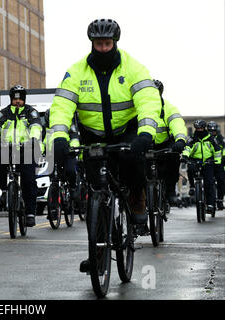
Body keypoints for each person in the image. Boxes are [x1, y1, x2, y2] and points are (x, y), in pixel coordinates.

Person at [48, 19, 162, 272]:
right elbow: (62, 107)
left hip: (127, 130)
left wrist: (145, 133)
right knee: (95, 194)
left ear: (115, 43)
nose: (102, 48)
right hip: (94, 134)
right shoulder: (76, 72)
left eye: (107, 43)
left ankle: (137, 197)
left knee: (133, 161)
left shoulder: (133, 67)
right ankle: (98, 254)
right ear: (92, 43)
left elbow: (148, 101)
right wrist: (58, 137)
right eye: (98, 44)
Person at [0, 85, 43, 227]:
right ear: (11, 99)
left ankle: (30, 212)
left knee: (29, 180)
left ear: (24, 99)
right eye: (15, 99)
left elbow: (36, 127)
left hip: (27, 148)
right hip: (8, 148)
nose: (18, 102)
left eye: (20, 99)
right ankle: (5, 189)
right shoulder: (4, 113)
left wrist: (34, 139)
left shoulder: (31, 112)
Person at [152, 80, 188, 206]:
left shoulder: (169, 108)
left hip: (165, 144)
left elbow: (177, 123)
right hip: (146, 144)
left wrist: (180, 140)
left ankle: (170, 192)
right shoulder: (137, 107)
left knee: (173, 159)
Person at [182, 120, 220, 215]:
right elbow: (187, 148)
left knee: (209, 183)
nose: (199, 130)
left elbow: (217, 150)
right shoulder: (192, 139)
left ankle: (210, 205)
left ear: (204, 128)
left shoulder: (210, 138)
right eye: (197, 128)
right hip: (195, 160)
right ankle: (192, 187)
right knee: (190, 168)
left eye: (201, 128)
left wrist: (217, 163)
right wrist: (185, 157)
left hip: (208, 161)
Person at [206, 121, 225, 210]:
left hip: (219, 162)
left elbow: (224, 150)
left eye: (213, 131)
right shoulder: (206, 138)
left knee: (221, 180)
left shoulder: (221, 139)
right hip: (209, 162)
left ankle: (220, 200)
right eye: (210, 131)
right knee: (208, 181)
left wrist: (223, 158)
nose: (211, 133)